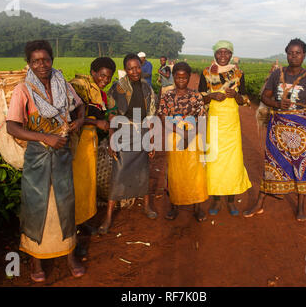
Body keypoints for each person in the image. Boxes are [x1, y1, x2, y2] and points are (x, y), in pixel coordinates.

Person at [6, 40, 86, 282]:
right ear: (28, 63)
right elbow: (12, 126)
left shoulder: (63, 84)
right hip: (37, 157)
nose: (42, 65)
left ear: (52, 60)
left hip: (62, 154)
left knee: (64, 203)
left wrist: (79, 122)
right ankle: (35, 260)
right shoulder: (24, 90)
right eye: (35, 61)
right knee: (36, 206)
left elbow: (81, 108)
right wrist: (45, 138)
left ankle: (70, 255)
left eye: (46, 60)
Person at [243, 38, 306, 222]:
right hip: (277, 125)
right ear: (286, 53)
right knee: (271, 164)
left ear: (304, 55)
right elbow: (264, 96)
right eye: (290, 53)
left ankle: (301, 206)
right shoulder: (277, 74)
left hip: (300, 130)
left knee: (300, 166)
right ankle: (260, 203)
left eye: (298, 53)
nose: (293, 56)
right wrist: (277, 104)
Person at [98, 53, 158, 234]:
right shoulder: (117, 88)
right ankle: (108, 217)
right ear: (126, 69)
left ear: (141, 66)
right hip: (123, 133)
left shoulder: (147, 88)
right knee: (119, 173)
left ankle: (147, 206)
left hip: (142, 133)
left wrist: (151, 140)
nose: (135, 71)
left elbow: (151, 116)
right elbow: (111, 116)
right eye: (130, 68)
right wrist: (111, 140)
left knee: (143, 170)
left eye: (137, 67)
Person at [198, 40, 252, 216]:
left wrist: (236, 95)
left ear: (231, 54)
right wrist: (212, 95)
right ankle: (215, 200)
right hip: (214, 120)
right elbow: (199, 98)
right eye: (219, 52)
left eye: (226, 52)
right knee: (214, 161)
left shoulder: (238, 73)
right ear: (214, 54)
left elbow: (245, 99)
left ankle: (231, 200)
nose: (223, 56)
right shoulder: (206, 72)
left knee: (233, 162)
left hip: (231, 124)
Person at [69, 57, 116, 254]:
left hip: (90, 143)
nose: (105, 79)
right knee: (76, 187)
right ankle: (71, 235)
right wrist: (96, 123)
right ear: (93, 72)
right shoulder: (77, 87)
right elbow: (70, 117)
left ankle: (83, 222)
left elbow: (107, 115)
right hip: (76, 143)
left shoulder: (100, 95)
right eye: (102, 75)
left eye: (109, 77)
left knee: (88, 185)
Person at [157, 62, 208, 222]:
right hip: (174, 136)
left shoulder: (196, 96)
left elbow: (202, 118)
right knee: (175, 173)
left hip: (193, 136)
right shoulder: (167, 96)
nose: (181, 80)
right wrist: (181, 132)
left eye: (184, 77)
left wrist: (190, 134)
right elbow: (163, 117)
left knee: (195, 173)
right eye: (178, 77)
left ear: (189, 78)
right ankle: (175, 205)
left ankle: (197, 206)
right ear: (173, 77)